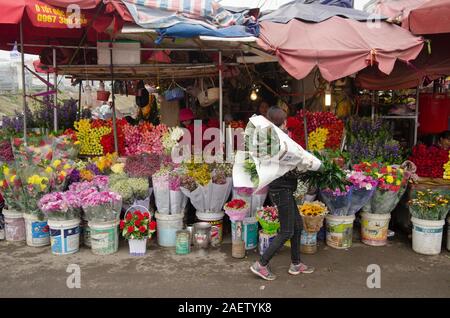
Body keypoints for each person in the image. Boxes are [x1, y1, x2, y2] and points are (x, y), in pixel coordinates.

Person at [250, 106, 321, 281]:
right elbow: (286, 167)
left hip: (283, 189)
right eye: (285, 120)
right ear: (283, 122)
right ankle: (261, 264)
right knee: (287, 230)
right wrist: (306, 166)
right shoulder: (277, 142)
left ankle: (296, 264)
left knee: (297, 226)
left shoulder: (272, 138)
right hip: (281, 190)